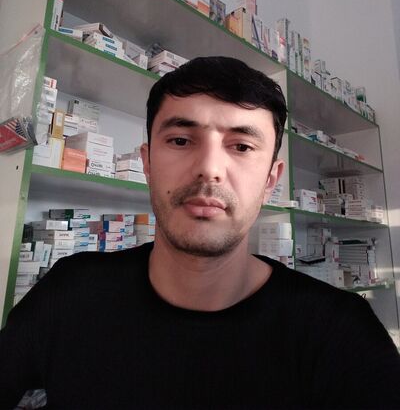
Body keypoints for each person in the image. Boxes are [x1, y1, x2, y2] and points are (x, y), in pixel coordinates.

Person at [0, 56, 399, 410]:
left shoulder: (340, 335)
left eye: (241, 147)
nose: (209, 168)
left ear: (270, 181)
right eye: (180, 140)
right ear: (147, 163)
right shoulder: (69, 292)